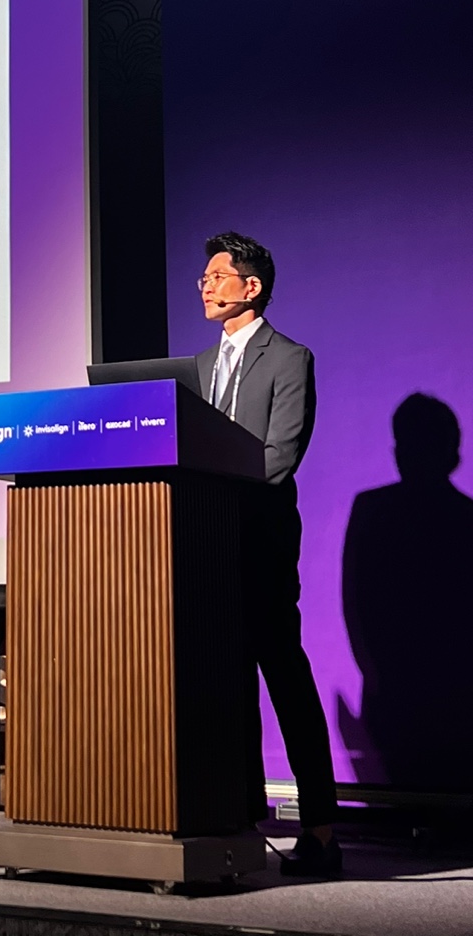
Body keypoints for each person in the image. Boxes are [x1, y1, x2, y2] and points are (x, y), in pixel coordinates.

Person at [195, 232, 340, 878]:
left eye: (217, 276)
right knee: (223, 687)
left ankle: (322, 832)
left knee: (285, 679)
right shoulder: (199, 367)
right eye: (203, 277)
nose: (205, 286)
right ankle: (236, 818)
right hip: (204, 547)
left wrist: (215, 492)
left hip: (261, 543)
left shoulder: (289, 358)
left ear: (250, 287)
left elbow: (280, 456)